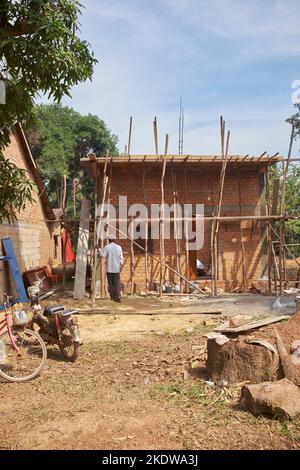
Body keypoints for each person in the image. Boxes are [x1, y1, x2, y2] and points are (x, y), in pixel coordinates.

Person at [99, 235, 123, 302]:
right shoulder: (118, 247)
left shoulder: (107, 247)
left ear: (109, 240)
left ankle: (112, 297)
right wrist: (121, 264)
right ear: (115, 240)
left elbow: (103, 255)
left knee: (110, 283)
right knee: (117, 283)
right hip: (116, 268)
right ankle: (118, 296)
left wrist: (99, 249)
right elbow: (121, 258)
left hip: (109, 269)